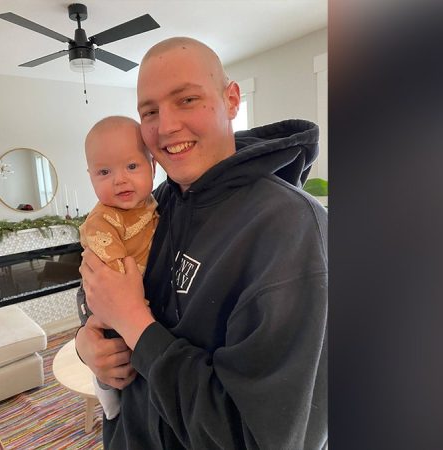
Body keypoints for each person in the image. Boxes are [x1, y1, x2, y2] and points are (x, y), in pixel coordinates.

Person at [76, 36, 327, 449]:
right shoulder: (154, 203)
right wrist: (88, 343)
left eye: (187, 100)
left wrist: (135, 324)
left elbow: (262, 438)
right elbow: (98, 286)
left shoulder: (292, 230)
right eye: (150, 111)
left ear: (232, 100)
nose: (166, 126)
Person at [77, 115, 159, 420]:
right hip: (107, 299)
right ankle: (106, 392)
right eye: (104, 172)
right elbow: (111, 273)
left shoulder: (150, 203)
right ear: (90, 177)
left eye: (132, 166)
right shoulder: (103, 220)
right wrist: (136, 308)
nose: (120, 180)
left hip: (133, 298)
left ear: (153, 166)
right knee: (113, 351)